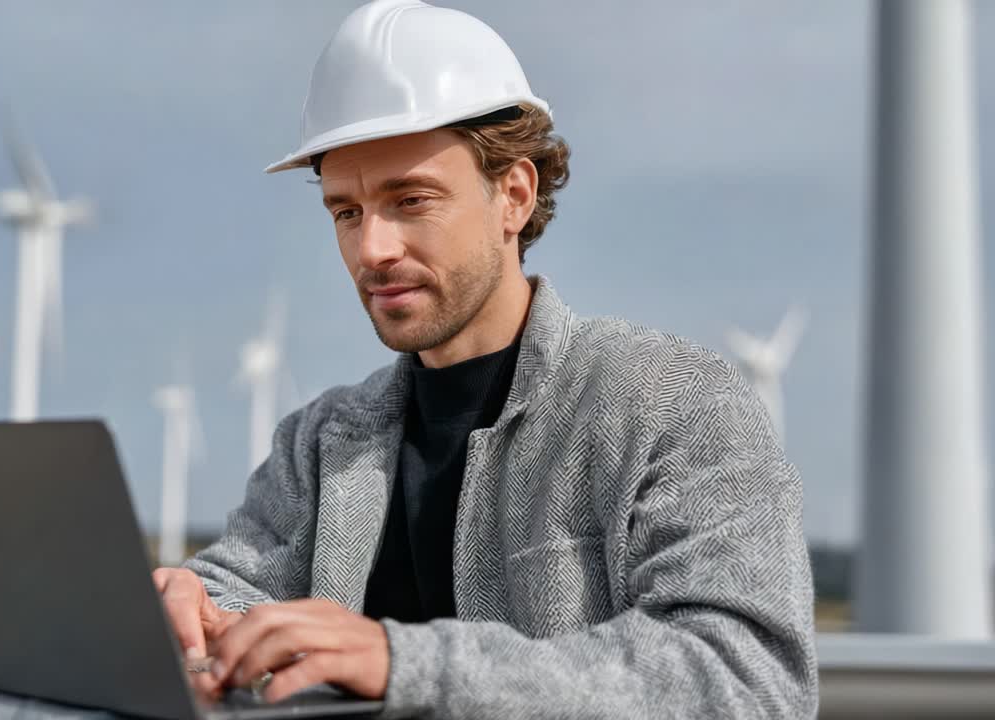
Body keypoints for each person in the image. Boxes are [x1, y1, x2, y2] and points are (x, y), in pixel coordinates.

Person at [154, 1, 818, 717]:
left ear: (514, 195)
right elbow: (236, 591)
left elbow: (749, 681)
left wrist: (404, 662)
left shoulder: (675, 403)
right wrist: (191, 610)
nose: (372, 249)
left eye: (411, 200)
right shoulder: (319, 442)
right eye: (346, 212)